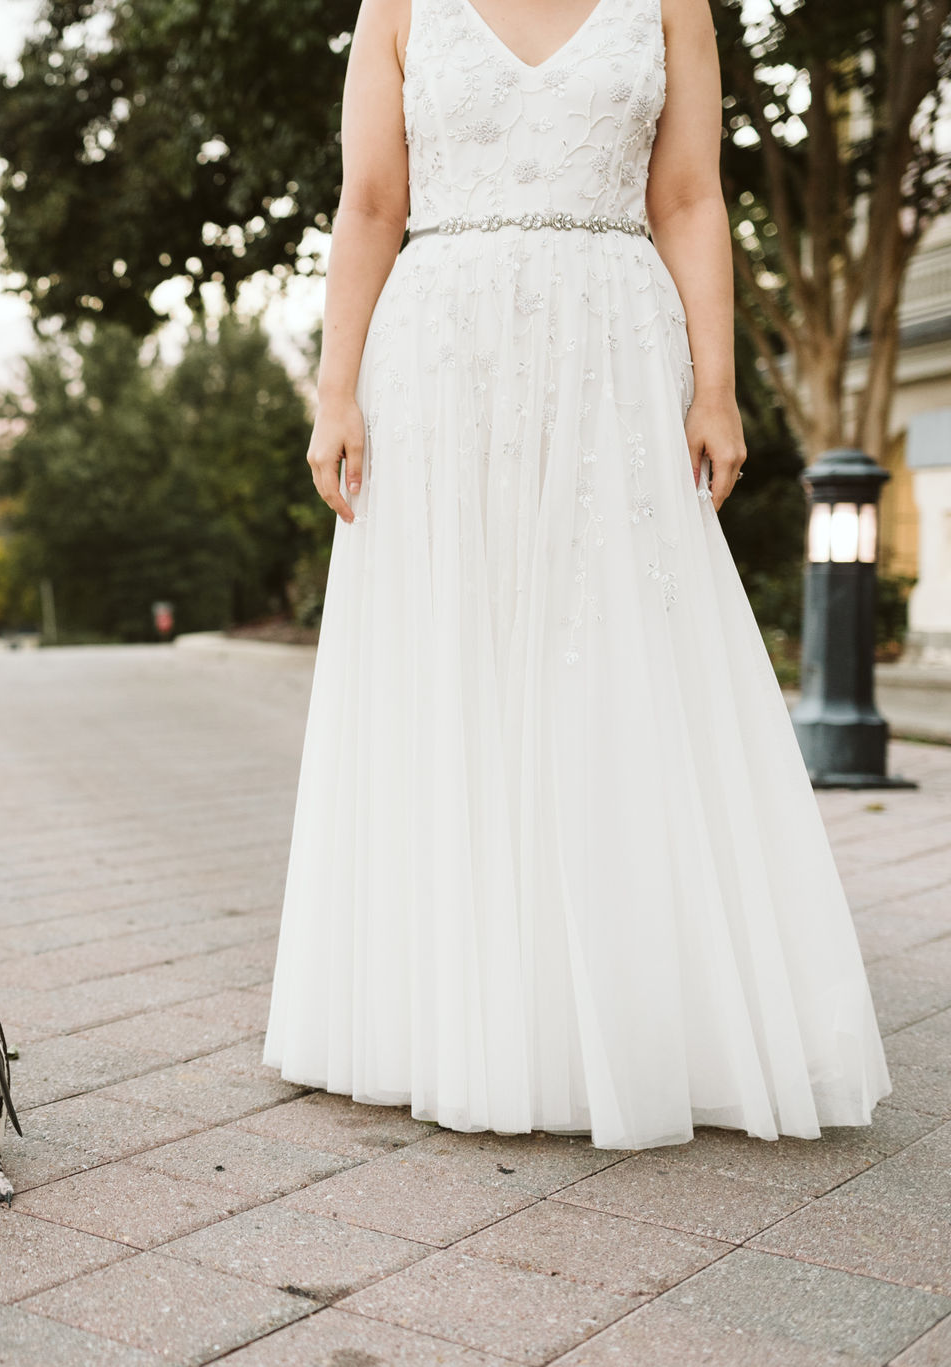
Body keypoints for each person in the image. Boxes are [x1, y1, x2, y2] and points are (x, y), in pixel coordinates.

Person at [263, 0, 891, 1147]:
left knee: (612, 660)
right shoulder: (396, 3)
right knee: (458, 667)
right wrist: (335, 389)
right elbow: (369, 202)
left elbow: (690, 198)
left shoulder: (671, 5)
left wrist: (713, 384)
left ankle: (634, 1011)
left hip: (612, 354)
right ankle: (451, 1014)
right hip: (443, 357)